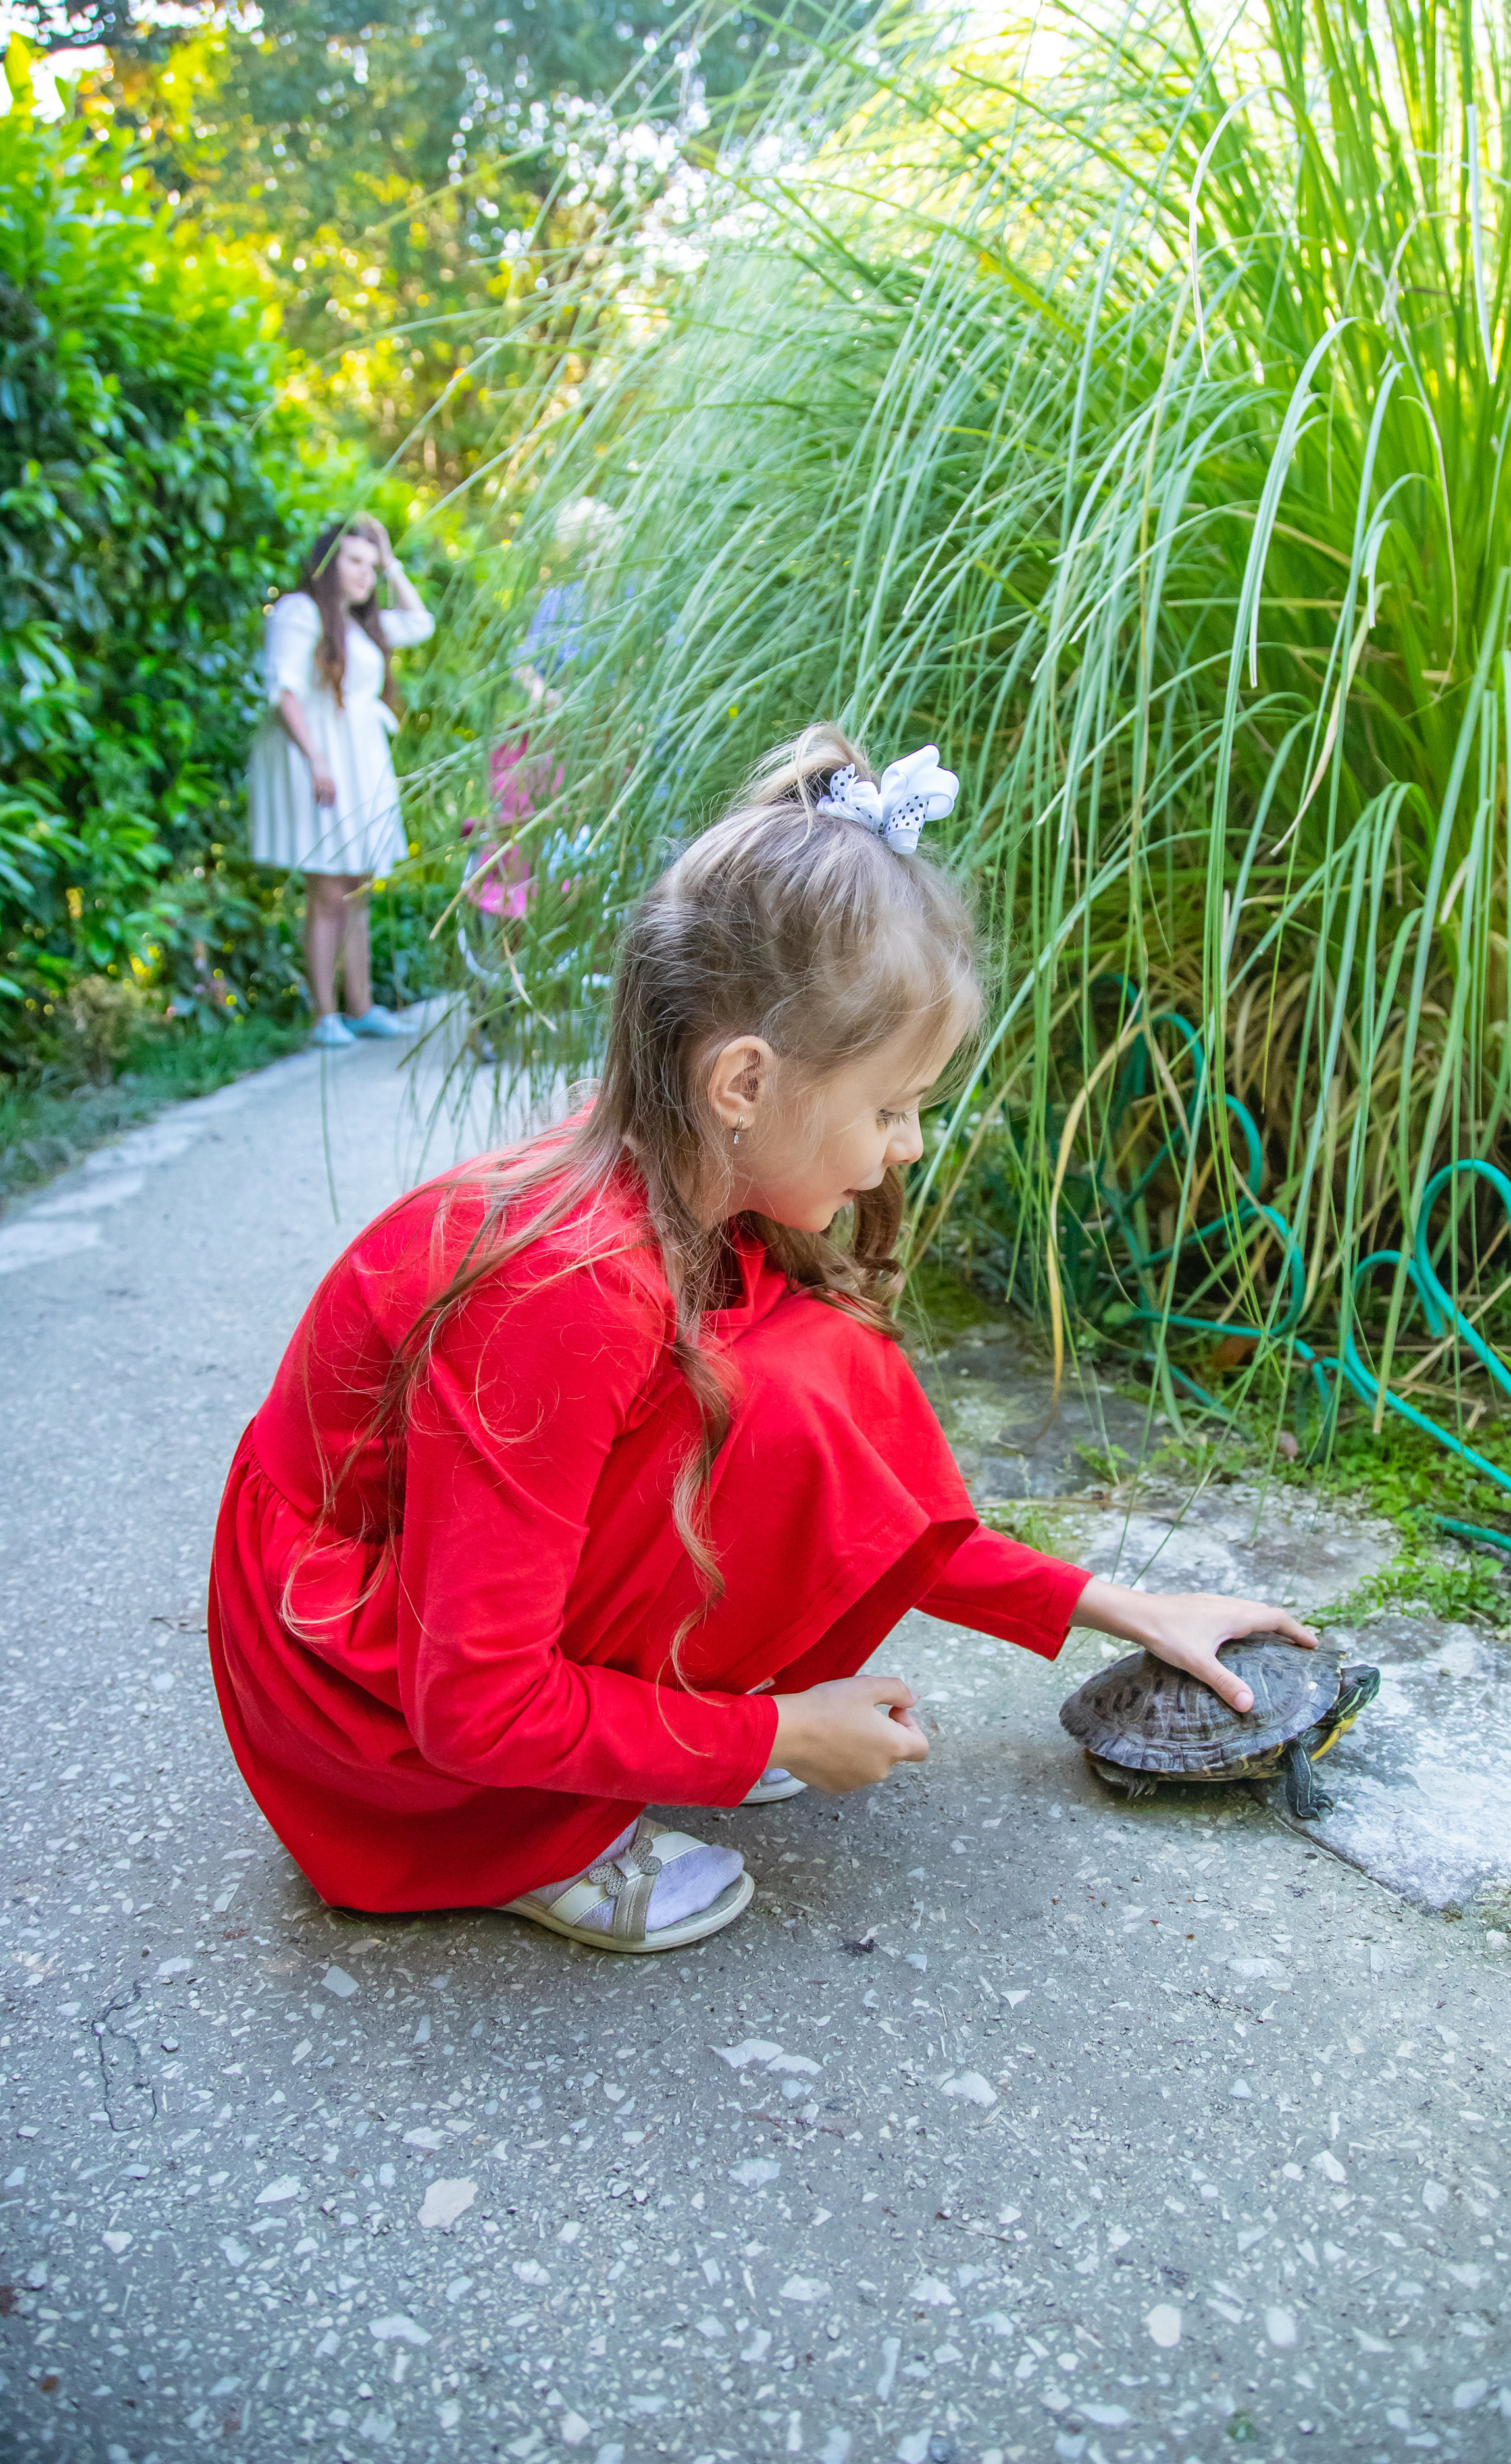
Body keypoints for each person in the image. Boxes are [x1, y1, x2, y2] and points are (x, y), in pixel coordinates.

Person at [207, 725, 1310, 1954]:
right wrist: (773, 1736)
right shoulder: (563, 1296)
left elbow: (840, 1470)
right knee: (756, 1395)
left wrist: (1117, 1607)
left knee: (804, 1375)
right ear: (743, 1082)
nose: (910, 1146)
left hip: (432, 1620)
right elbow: (469, 1699)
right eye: (890, 1107)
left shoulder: (690, 1184)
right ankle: (526, 1836)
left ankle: (645, 1725)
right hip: (362, 1710)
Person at [247, 515, 434, 1047]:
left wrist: (391, 560)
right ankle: (323, 1013)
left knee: (357, 888)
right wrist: (316, 760)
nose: (365, 576)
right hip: (321, 758)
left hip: (361, 759)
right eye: (354, 562)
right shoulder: (300, 612)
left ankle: (362, 1005)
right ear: (328, 564)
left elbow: (420, 623)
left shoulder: (361, 624)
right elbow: (283, 691)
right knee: (328, 887)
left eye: (371, 568)